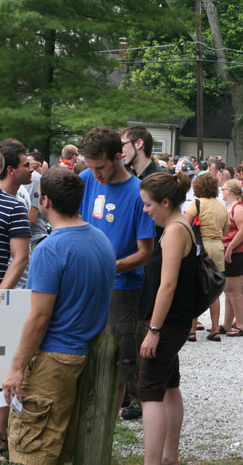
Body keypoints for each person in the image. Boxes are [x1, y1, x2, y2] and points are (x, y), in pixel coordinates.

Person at [2, 169, 116, 465]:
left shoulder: (51, 248)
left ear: (46, 200)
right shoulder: (101, 239)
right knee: (61, 445)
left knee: (34, 447)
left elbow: (39, 317)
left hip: (54, 358)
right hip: (83, 351)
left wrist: (16, 368)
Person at [78, 127, 155, 416]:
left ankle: (106, 421)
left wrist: (109, 267)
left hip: (121, 287)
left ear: (118, 157)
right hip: (85, 284)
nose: (95, 174)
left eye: (100, 167)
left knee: (116, 357)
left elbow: (145, 253)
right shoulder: (86, 179)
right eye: (91, 167)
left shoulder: (138, 193)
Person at [139, 172, 196, 465]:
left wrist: (154, 329)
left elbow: (168, 284)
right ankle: (169, 456)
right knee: (170, 384)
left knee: (149, 391)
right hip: (175, 321)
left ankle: (153, 461)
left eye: (148, 205)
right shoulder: (178, 225)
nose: (145, 211)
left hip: (168, 322)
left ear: (164, 201)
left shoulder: (174, 230)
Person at [183, 173, 229, 341]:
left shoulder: (195, 204)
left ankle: (192, 330)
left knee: (195, 288)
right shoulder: (222, 205)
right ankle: (215, 329)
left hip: (199, 248)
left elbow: (184, 226)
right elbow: (225, 232)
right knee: (213, 290)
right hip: (217, 247)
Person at [220, 179, 243, 337]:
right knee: (228, 290)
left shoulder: (238, 208)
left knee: (235, 290)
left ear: (230, 192)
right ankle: (227, 324)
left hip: (239, 252)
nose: (222, 191)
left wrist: (231, 247)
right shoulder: (231, 207)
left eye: (224, 188)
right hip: (232, 251)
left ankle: (240, 324)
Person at [0, 139, 32, 289]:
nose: (31, 169)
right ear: (10, 170)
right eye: (26, 165)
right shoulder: (15, 205)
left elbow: (20, 257)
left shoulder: (17, 203)